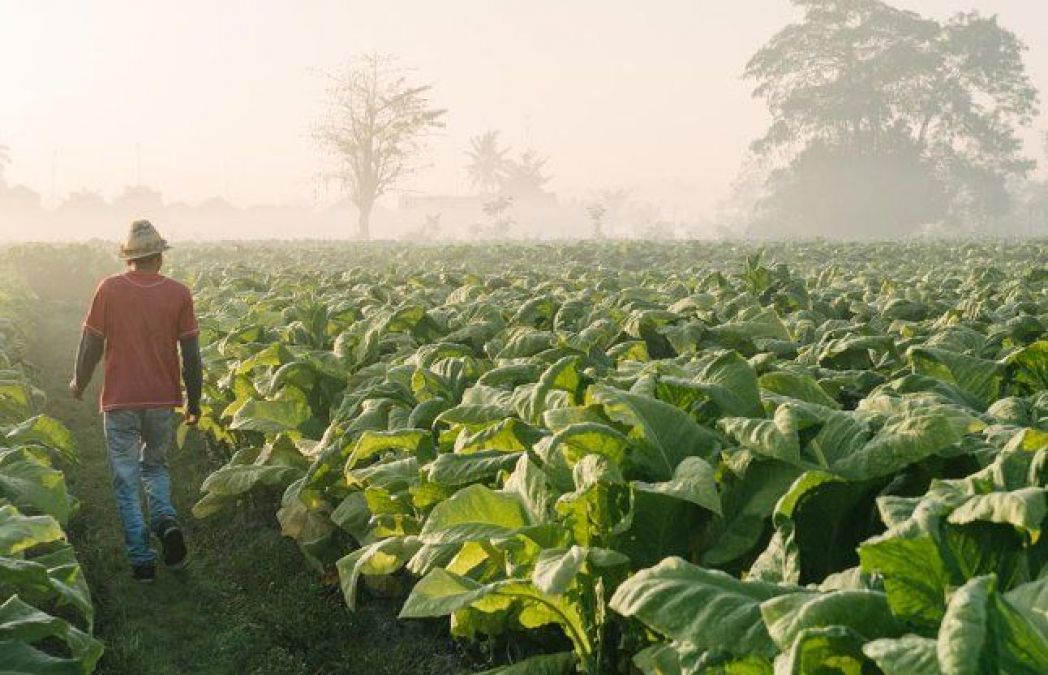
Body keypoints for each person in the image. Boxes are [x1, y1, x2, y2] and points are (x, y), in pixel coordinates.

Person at [69, 220, 203, 582]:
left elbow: (91, 343)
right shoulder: (179, 293)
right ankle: (165, 520)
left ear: (129, 258)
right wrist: (195, 401)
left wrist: (78, 383)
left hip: (119, 401)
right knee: (156, 468)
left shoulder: (109, 289)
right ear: (159, 257)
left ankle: (143, 562)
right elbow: (191, 354)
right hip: (162, 401)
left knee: (125, 480)